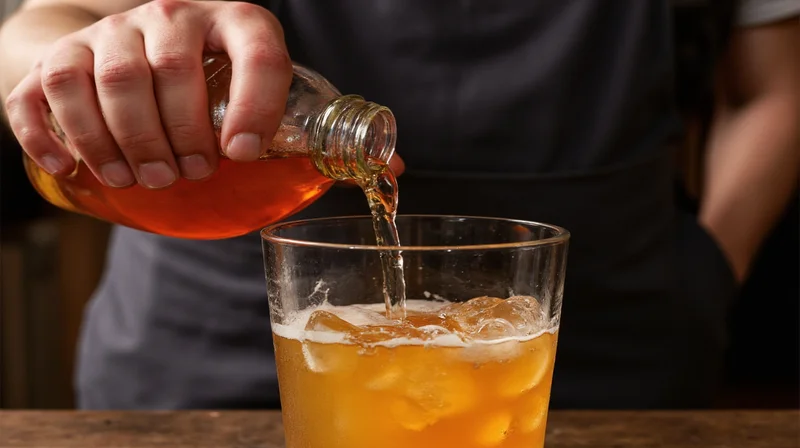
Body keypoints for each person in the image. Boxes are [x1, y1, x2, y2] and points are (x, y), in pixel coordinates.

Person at [1, 1, 798, 410]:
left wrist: (712, 270)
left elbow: (773, 85)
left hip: (617, 346)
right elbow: (36, 23)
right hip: (207, 364)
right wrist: (80, 57)